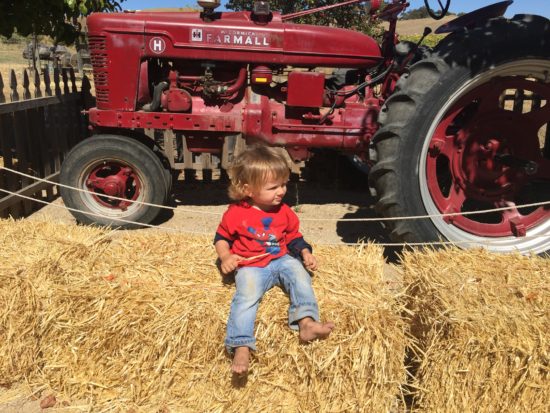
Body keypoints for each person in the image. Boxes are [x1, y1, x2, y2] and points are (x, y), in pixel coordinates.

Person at [214, 146, 335, 375]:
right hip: (250, 265)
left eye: (283, 184)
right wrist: (226, 256)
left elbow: (294, 237)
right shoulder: (235, 213)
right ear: (247, 189)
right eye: (273, 187)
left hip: (280, 259)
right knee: (246, 296)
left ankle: (306, 321)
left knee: (300, 275)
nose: (281, 191)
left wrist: (305, 253)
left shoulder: (285, 211)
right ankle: (241, 344)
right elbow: (221, 238)